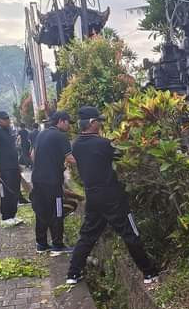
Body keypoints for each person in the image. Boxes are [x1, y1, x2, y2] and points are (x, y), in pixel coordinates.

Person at [66, 106, 158, 286]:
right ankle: (149, 273)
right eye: (99, 121)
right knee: (130, 233)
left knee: (87, 235)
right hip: (112, 197)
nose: (101, 124)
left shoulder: (75, 145)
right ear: (92, 123)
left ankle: (72, 273)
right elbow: (124, 157)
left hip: (92, 196)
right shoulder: (103, 144)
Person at [30, 111, 74, 256]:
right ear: (61, 121)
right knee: (57, 211)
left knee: (41, 211)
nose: (69, 126)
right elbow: (70, 158)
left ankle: (41, 244)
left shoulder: (41, 134)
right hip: (52, 181)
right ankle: (57, 245)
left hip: (37, 179)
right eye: (68, 122)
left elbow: (32, 155)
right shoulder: (60, 136)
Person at [0, 111, 22, 226]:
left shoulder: (9, 131)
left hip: (13, 167)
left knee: (15, 191)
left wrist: (18, 165)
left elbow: (12, 149)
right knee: (6, 193)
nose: (8, 120)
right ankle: (6, 216)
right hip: (4, 168)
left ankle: (13, 215)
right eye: (5, 119)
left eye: (8, 118)